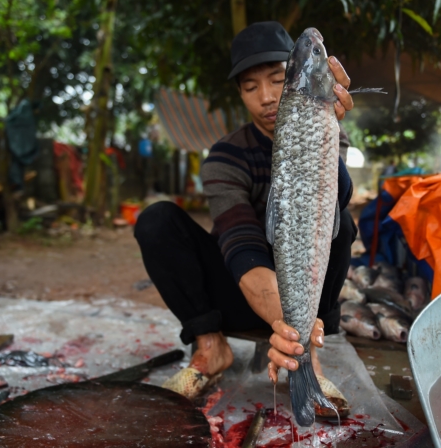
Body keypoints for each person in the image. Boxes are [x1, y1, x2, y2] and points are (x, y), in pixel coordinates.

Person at [134, 21, 356, 412]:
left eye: (276, 80)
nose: (267, 97)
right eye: (251, 88)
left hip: (305, 294)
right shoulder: (225, 155)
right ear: (240, 94)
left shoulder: (326, 127)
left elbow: (336, 200)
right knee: (157, 220)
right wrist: (287, 330)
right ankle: (210, 348)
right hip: (241, 290)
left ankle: (308, 357)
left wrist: (328, 129)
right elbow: (240, 243)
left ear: (293, 82)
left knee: (343, 224)